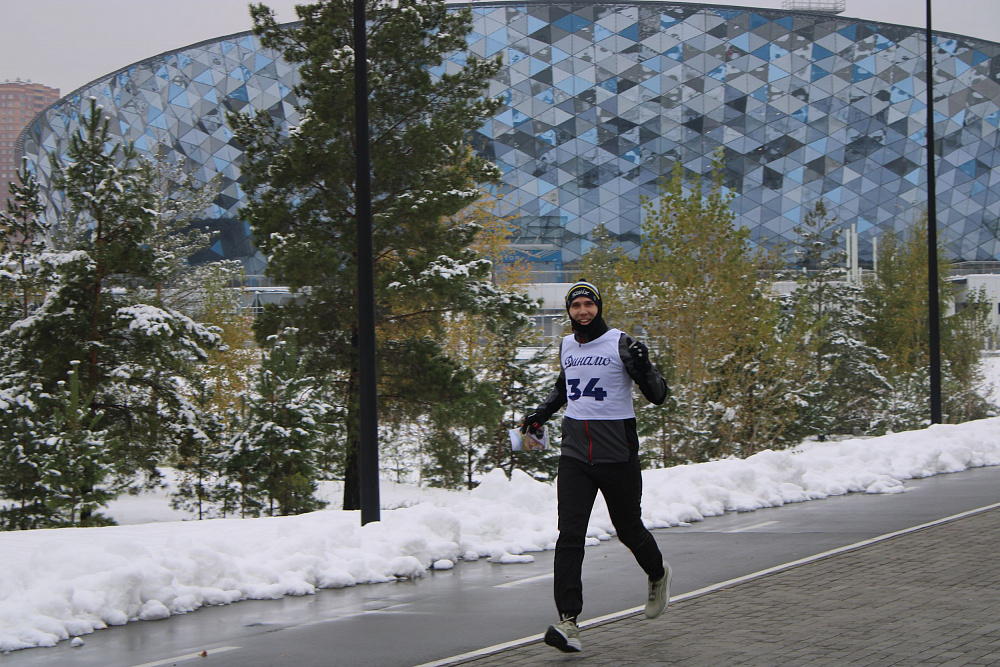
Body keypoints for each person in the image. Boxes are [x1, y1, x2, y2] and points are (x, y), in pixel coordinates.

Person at [521, 280, 671, 653]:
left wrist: (644, 365)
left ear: (598, 308)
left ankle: (657, 572)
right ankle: (568, 621)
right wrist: (541, 413)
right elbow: (565, 386)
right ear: (569, 312)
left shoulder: (622, 343)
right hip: (574, 455)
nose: (583, 311)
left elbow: (658, 395)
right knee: (569, 535)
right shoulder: (567, 345)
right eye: (577, 306)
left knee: (628, 529)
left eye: (589, 304)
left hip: (616, 454)